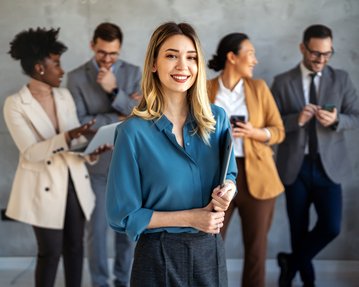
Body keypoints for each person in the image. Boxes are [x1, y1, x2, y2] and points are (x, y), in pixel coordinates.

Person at [106, 22, 237, 287]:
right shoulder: (132, 132)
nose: (182, 66)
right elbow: (123, 215)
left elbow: (230, 174)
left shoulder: (217, 120)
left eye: (191, 57)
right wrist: (191, 218)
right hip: (157, 254)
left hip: (209, 251)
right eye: (171, 55)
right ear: (154, 63)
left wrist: (228, 191)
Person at [3, 27, 110, 287]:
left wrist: (91, 150)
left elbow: (76, 141)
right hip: (42, 187)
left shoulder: (63, 95)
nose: (62, 71)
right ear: (40, 68)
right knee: (50, 253)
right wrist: (67, 137)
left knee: (75, 249)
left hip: (75, 180)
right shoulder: (15, 104)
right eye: (57, 65)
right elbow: (30, 152)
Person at [271, 24, 359, 287]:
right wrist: (295, 120)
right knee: (298, 231)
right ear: (303, 48)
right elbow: (271, 124)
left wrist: (336, 120)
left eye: (327, 54)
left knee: (331, 226)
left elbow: (355, 116)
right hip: (293, 167)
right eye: (315, 54)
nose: (321, 59)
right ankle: (308, 282)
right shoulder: (282, 81)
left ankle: (289, 262)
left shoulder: (341, 79)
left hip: (328, 167)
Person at [207, 33, 285, 287]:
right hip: (216, 178)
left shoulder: (259, 88)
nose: (255, 60)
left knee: (256, 250)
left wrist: (255, 132)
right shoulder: (205, 89)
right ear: (232, 57)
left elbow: (278, 131)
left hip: (258, 178)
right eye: (250, 53)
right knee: (210, 246)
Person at [67, 22, 141, 287]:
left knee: (129, 231)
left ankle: (124, 282)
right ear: (92, 46)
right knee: (96, 232)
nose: (107, 59)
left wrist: (113, 90)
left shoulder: (133, 73)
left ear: (119, 50)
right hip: (95, 166)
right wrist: (121, 112)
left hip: (130, 166)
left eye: (113, 54)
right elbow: (79, 121)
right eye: (102, 53)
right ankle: (100, 283)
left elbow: (142, 115)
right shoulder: (75, 77)